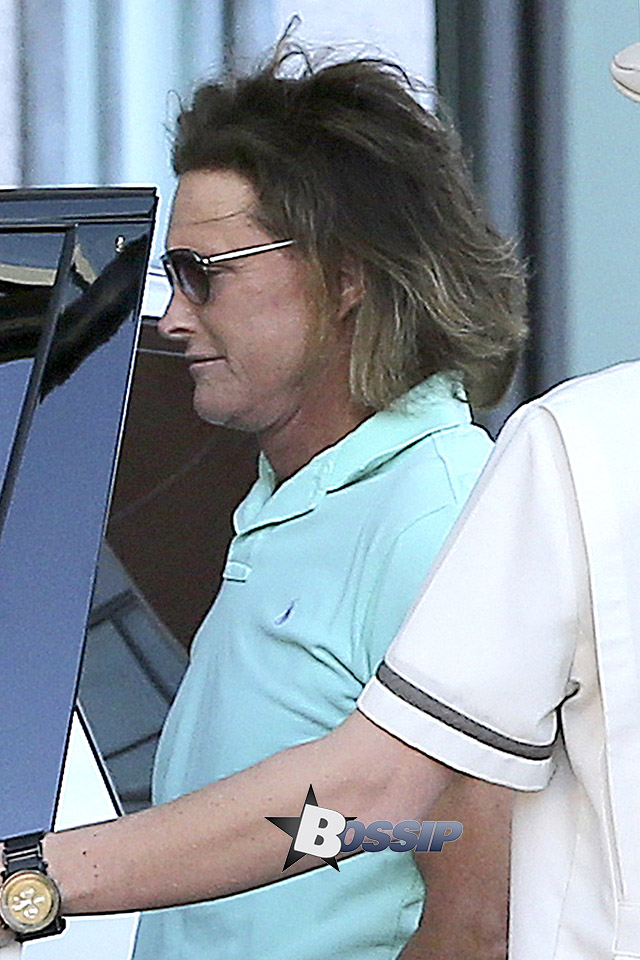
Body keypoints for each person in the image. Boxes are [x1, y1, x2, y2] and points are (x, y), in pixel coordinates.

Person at [0, 44, 527, 960]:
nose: (173, 317)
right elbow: (344, 828)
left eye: (204, 273)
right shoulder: (293, 496)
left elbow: (475, 914)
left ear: (347, 276)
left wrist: (31, 883)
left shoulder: (441, 516)